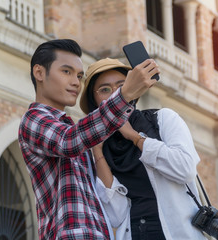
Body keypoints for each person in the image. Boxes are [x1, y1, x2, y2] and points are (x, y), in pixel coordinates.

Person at [18, 39, 159, 239]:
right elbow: (68, 141)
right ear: (39, 73)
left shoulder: (73, 128)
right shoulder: (34, 119)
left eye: (79, 75)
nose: (76, 82)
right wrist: (125, 94)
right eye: (66, 71)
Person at [79, 58, 207, 240]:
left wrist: (135, 137)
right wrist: (97, 150)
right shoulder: (103, 147)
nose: (115, 94)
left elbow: (185, 169)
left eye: (121, 85)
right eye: (105, 90)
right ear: (95, 101)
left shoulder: (163, 119)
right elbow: (115, 215)